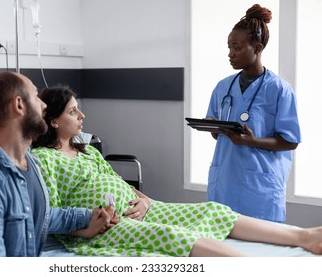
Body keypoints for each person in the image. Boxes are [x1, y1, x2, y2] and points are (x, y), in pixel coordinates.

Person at [30, 84, 322, 257]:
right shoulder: (44, 159)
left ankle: (303, 236)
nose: (82, 116)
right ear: (53, 121)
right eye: (72, 111)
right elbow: (48, 216)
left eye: (79, 108)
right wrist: (87, 229)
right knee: (171, 235)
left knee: (213, 211)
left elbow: (119, 183)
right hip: (104, 228)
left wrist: (144, 199)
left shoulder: (88, 149)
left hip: (142, 209)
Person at [0, 71, 115, 257]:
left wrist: (90, 217)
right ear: (19, 105)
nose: (44, 105)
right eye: (36, 96)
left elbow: (43, 215)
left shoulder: (28, 163)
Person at [205, 4, 301, 223]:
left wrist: (252, 140)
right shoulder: (223, 87)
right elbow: (216, 133)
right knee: (221, 245)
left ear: (257, 48)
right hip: (225, 183)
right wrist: (212, 126)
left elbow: (290, 141)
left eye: (237, 47)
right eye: (229, 47)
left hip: (259, 188)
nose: (230, 54)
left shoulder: (279, 89)